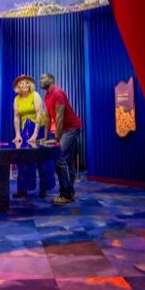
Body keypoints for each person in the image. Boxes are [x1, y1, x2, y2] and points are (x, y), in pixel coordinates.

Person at [40, 72, 83, 205]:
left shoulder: (58, 93)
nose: (40, 80)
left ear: (51, 80)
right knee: (68, 160)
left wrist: (56, 138)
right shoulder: (46, 95)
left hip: (71, 128)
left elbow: (59, 117)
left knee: (60, 158)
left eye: (43, 78)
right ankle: (69, 191)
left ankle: (67, 194)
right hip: (64, 129)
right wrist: (45, 137)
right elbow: (47, 117)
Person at [11, 74, 55, 199]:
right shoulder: (16, 99)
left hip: (39, 129)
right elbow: (16, 117)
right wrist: (18, 134)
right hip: (26, 130)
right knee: (23, 159)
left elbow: (40, 114)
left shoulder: (35, 95)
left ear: (30, 84)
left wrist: (35, 135)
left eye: (26, 82)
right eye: (21, 83)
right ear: (17, 86)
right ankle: (22, 189)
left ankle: (43, 188)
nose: (23, 85)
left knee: (41, 159)